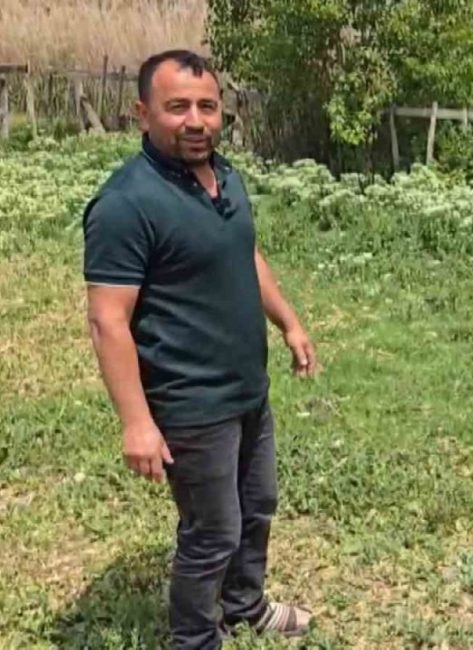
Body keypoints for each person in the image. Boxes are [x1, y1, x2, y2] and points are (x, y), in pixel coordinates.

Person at [82, 49, 317, 649]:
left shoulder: (224, 175)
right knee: (212, 531)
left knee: (256, 507)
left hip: (246, 389)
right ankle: (194, 639)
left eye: (207, 106)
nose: (195, 121)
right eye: (177, 107)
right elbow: (108, 321)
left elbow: (246, 253)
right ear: (143, 114)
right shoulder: (125, 204)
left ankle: (245, 604)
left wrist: (288, 322)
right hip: (190, 401)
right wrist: (137, 423)